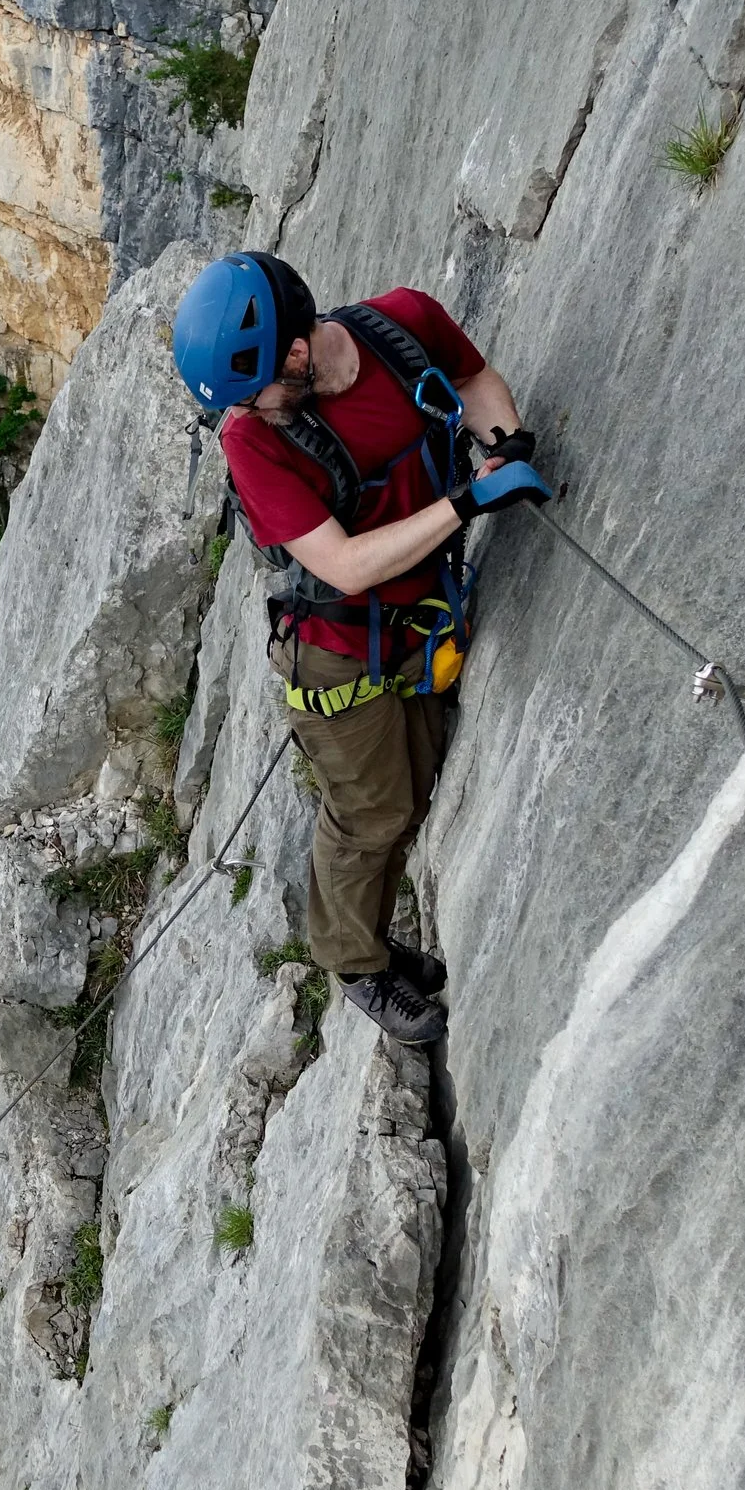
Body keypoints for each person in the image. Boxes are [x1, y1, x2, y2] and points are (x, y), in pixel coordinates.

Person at [171, 252, 553, 1045]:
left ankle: (378, 943)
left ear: (299, 353)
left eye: (256, 390)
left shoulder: (401, 325)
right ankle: (355, 962)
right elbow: (342, 564)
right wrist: (468, 497)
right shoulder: (253, 440)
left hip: (416, 624)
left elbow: (473, 378)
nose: (242, 414)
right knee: (369, 813)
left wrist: (504, 442)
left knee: (409, 795)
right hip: (338, 651)